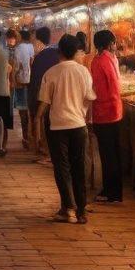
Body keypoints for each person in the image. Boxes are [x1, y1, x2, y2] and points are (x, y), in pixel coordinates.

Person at [38, 35, 96, 224]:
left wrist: (36, 121)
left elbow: (44, 103)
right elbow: (89, 98)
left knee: (62, 168)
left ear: (60, 51)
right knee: (79, 167)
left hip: (57, 127)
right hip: (78, 125)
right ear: (76, 52)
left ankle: (68, 209)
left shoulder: (51, 73)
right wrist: (83, 115)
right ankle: (81, 211)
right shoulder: (83, 72)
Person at [90, 30, 124, 203]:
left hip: (104, 112)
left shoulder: (99, 60)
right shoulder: (111, 59)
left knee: (107, 154)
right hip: (115, 111)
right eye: (114, 42)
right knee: (114, 153)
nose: (115, 45)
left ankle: (111, 192)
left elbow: (103, 87)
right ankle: (114, 191)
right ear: (110, 44)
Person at [28, 27, 60, 161]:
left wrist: (32, 102)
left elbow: (35, 81)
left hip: (43, 97)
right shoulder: (57, 54)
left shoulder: (39, 57)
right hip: (58, 98)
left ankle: (43, 150)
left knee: (43, 123)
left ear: (38, 40)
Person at [11, 29, 34, 147]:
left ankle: (25, 137)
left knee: (23, 111)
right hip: (31, 82)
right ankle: (32, 136)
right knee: (31, 111)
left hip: (20, 82)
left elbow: (16, 67)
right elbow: (32, 62)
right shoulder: (31, 47)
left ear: (20, 37)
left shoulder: (18, 49)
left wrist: (13, 79)